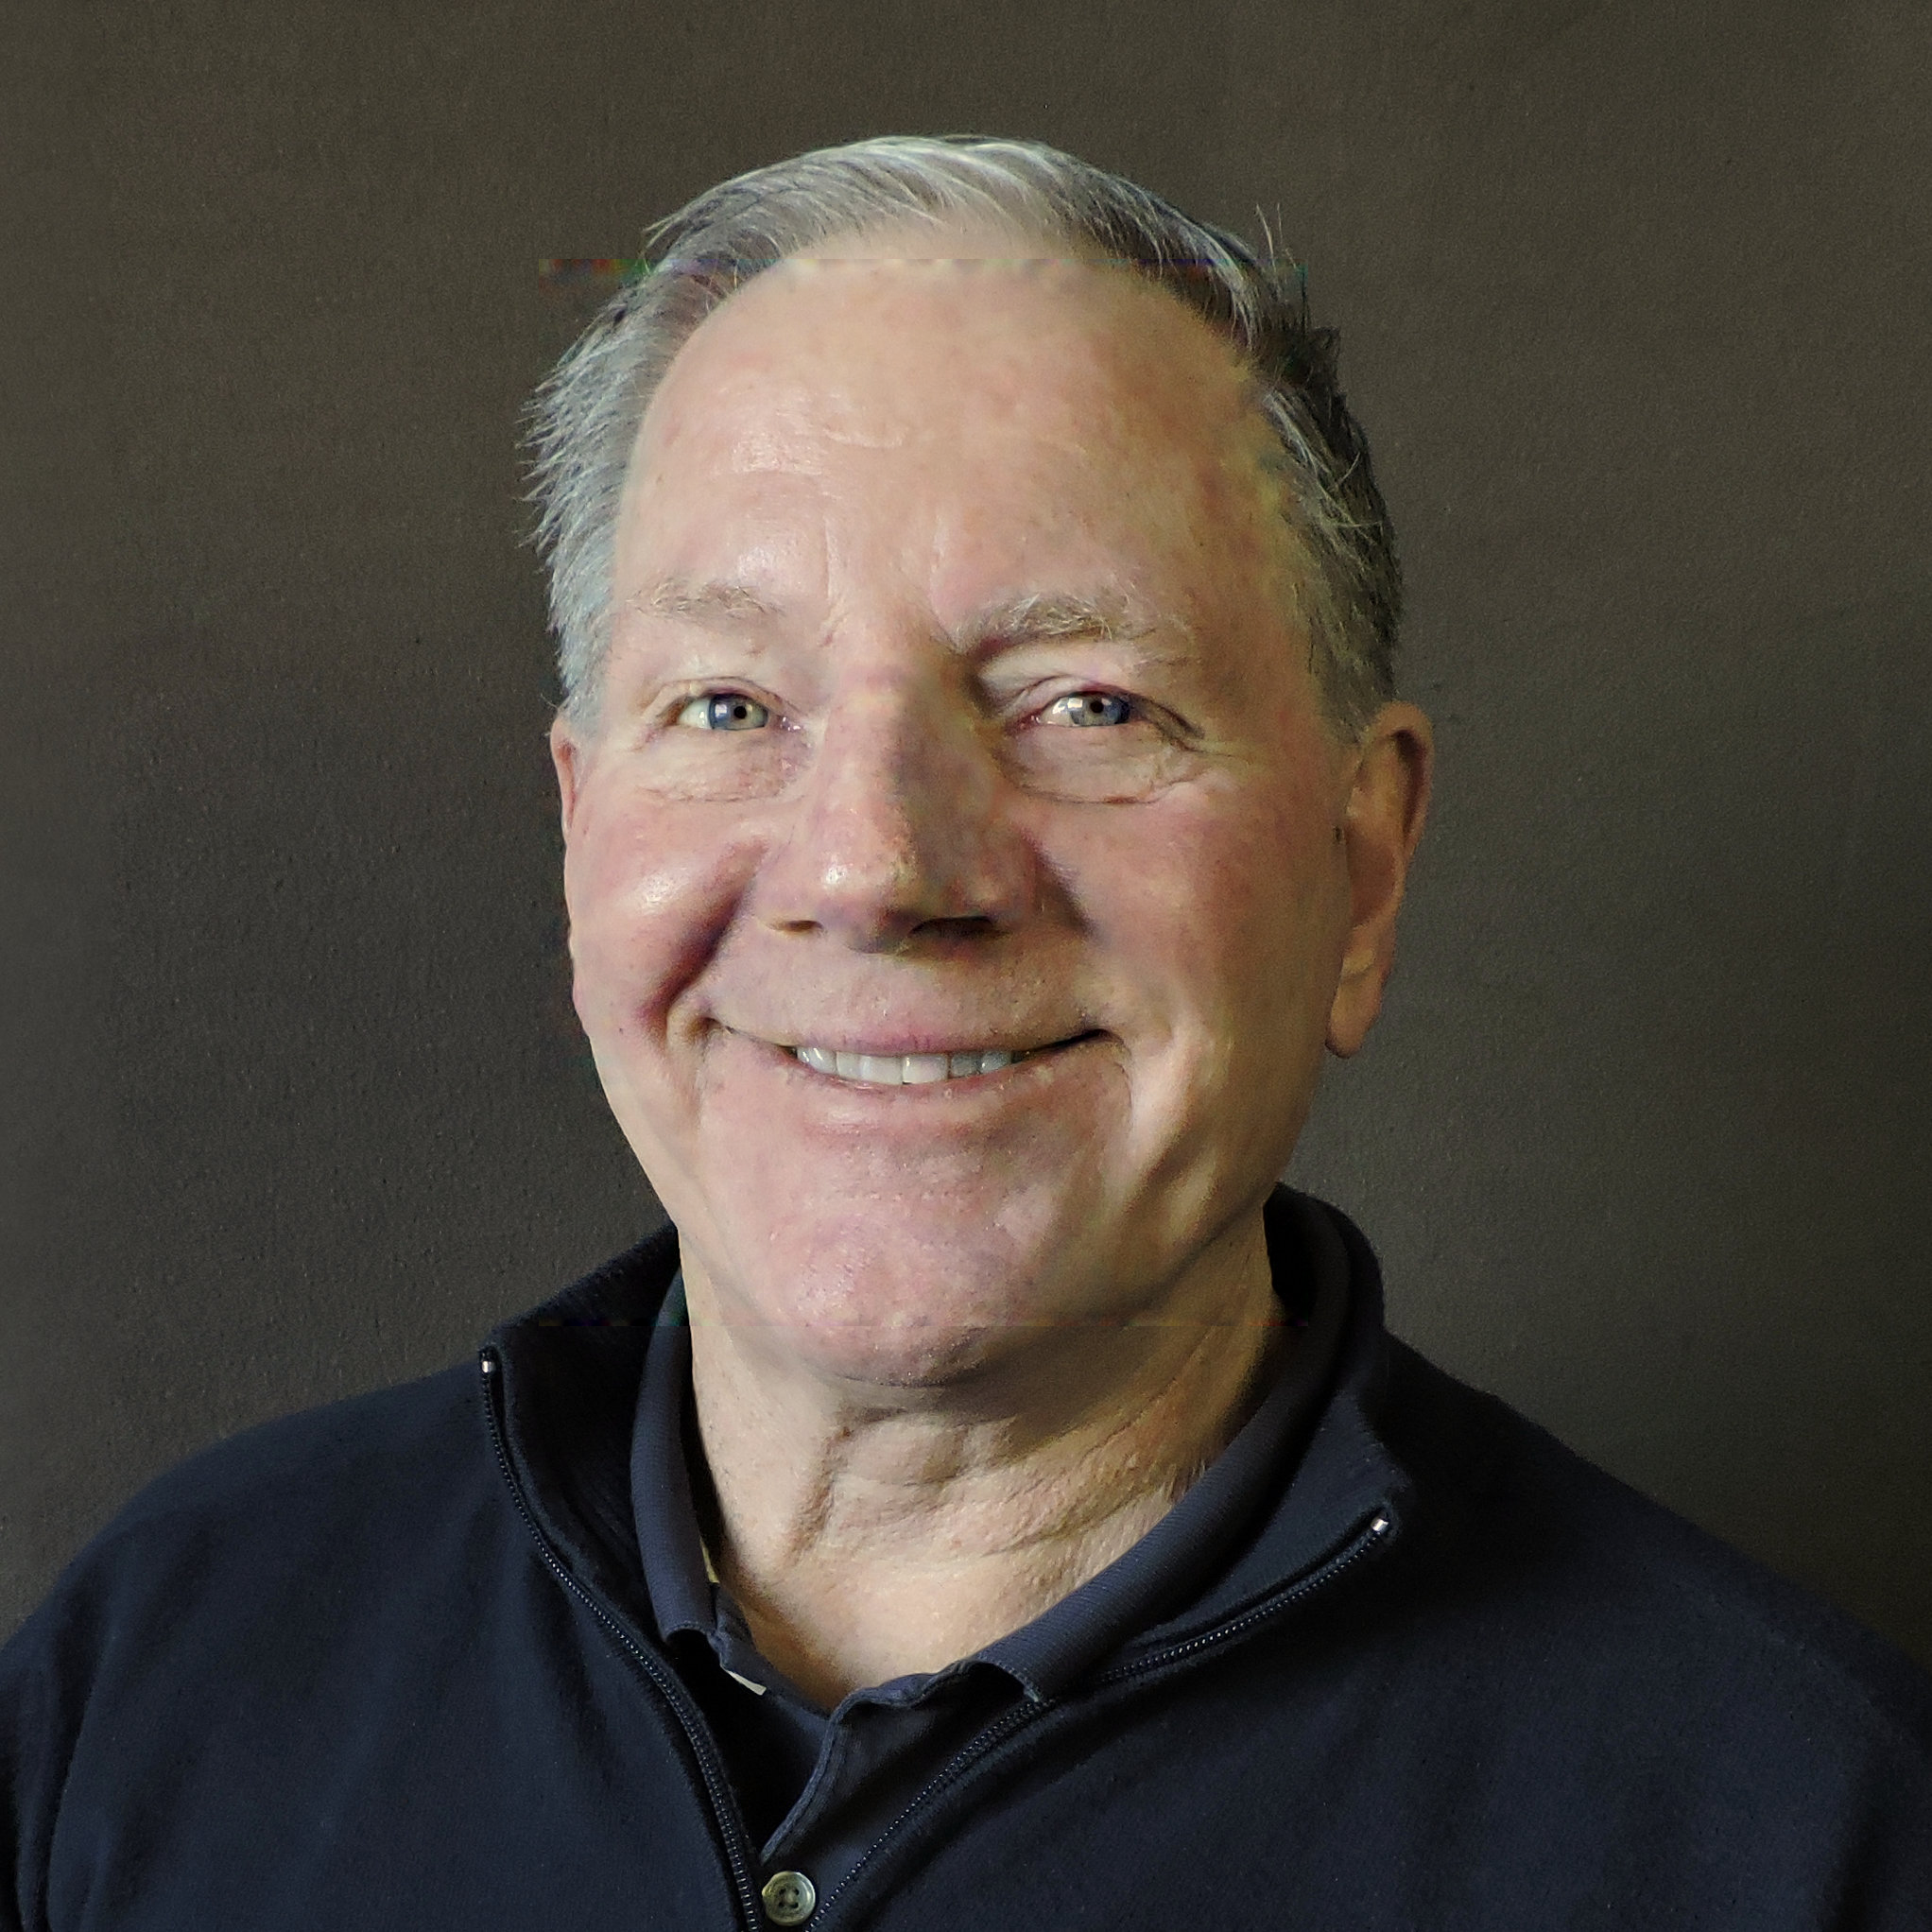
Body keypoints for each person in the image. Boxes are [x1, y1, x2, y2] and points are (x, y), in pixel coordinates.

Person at [3, 135, 1928, 1932]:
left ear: (1362, 867)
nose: (872, 864)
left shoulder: (1789, 1833)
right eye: (730, 706)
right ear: (581, 828)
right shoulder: (164, 1669)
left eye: (1084, 702)